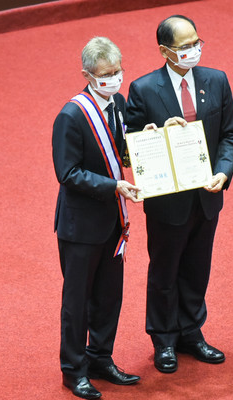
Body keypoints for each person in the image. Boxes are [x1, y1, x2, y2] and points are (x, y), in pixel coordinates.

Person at [125, 15, 233, 373]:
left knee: (196, 267)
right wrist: (158, 131)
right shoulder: (143, 89)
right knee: (165, 270)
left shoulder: (216, 80)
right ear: (165, 51)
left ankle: (191, 332)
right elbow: (129, 147)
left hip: (206, 195)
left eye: (197, 43)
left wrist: (223, 171)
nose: (194, 51)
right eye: (185, 46)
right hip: (167, 200)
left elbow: (230, 137)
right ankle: (164, 340)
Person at [52, 37, 142, 399]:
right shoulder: (71, 115)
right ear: (87, 75)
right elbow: (68, 173)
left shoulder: (117, 103)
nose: (114, 79)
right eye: (106, 74)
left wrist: (140, 147)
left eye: (118, 71)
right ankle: (74, 371)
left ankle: (100, 357)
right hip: (80, 228)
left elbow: (117, 149)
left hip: (112, 222)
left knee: (109, 296)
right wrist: (114, 186)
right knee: (77, 303)